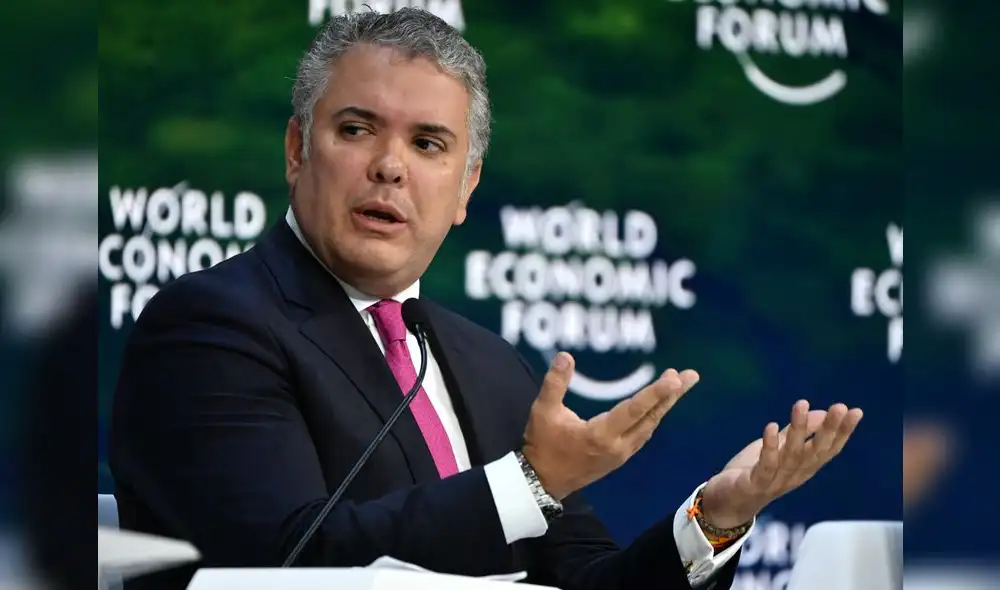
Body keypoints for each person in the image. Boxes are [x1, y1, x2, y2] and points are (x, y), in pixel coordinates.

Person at [109, 8, 863, 590]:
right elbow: (289, 562)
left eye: (429, 144)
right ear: (297, 150)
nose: (388, 167)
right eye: (356, 129)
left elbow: (588, 585)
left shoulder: (483, 360)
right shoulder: (210, 327)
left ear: (466, 189)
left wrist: (713, 517)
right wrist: (526, 482)